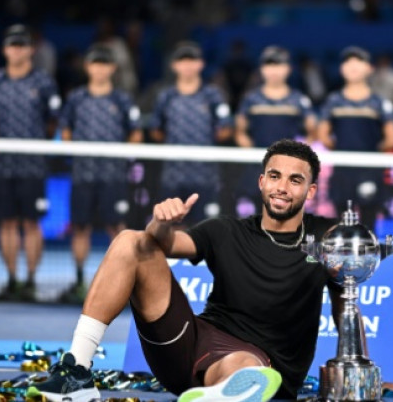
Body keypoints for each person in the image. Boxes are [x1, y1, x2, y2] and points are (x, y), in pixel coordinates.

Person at [28, 139, 343, 402]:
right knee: (131, 241)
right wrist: (161, 223)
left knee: (247, 369)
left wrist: (359, 370)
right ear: (262, 181)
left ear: (311, 191)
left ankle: (222, 394)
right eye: (274, 176)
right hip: (188, 343)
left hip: (260, 361)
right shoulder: (226, 230)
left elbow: (347, 302)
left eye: (295, 180)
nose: (282, 187)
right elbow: (165, 243)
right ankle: (76, 370)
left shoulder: (327, 238)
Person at [58, 47, 143, 304]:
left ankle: (125, 283)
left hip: (113, 176)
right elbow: (65, 131)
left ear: (112, 68)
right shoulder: (76, 98)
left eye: (105, 64)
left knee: (118, 231)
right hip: (83, 174)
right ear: (88, 67)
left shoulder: (122, 100)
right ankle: (80, 280)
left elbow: (136, 134)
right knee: (80, 228)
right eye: (96, 63)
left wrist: (121, 157)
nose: (100, 68)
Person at [0, 24, 61, 301]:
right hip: (4, 166)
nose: (16, 50)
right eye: (12, 45)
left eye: (21, 45)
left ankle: (30, 280)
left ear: (30, 49)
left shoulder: (43, 83)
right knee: (6, 223)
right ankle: (12, 280)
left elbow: (53, 124)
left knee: (31, 223)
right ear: (5, 50)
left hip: (33, 167)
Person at [149, 41, 233, 224]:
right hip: (173, 174)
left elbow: (226, 129)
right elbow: (155, 130)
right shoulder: (166, 96)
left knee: (206, 227)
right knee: (170, 226)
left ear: (201, 64)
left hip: (205, 174)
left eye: (192, 60)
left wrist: (204, 142)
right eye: (182, 60)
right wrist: (175, 143)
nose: (187, 66)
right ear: (174, 65)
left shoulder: (212, 95)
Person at [318, 46, 393, 227]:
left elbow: (392, 139)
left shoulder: (379, 102)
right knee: (342, 224)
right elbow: (323, 135)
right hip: (342, 172)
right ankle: (343, 256)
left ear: (370, 68)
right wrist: (341, 150)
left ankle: (367, 255)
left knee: (369, 225)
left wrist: (371, 153)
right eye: (348, 61)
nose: (353, 65)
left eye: (359, 61)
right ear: (341, 68)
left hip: (370, 170)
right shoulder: (333, 101)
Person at [234, 46, 317, 216]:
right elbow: (239, 131)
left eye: (279, 65)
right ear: (262, 69)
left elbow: (313, 130)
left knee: (287, 214)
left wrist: (295, 155)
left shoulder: (298, 99)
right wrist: (254, 153)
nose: (274, 70)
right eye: (269, 65)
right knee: (257, 217)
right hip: (257, 169)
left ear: (288, 69)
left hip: (289, 171)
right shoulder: (251, 99)